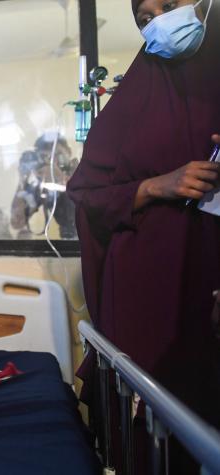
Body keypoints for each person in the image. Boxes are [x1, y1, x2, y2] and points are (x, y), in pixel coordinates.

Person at [67, 0, 219, 472]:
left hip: (208, 291)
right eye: (144, 18)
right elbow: (87, 192)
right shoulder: (134, 96)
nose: (159, 24)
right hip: (141, 299)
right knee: (144, 436)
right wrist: (156, 185)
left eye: (169, 6)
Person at [10, 135, 77, 239]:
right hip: (68, 242)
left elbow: (88, 209)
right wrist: (23, 180)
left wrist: (61, 179)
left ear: (69, 151)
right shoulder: (44, 182)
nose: (53, 161)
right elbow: (17, 222)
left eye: (57, 154)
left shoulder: (83, 169)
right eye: (47, 157)